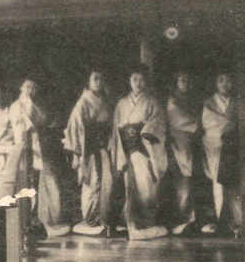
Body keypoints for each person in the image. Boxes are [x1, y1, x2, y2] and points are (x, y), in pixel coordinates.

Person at [110, 67, 170, 240]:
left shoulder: (152, 102)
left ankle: (146, 223)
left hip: (144, 148)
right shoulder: (121, 104)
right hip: (125, 149)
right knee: (127, 185)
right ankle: (129, 224)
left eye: (141, 79)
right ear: (129, 81)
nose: (138, 83)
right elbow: (115, 130)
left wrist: (145, 133)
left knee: (145, 185)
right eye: (134, 79)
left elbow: (158, 123)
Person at [10, 78, 71, 238]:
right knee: (27, 186)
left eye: (33, 87)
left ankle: (47, 222)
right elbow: (22, 128)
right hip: (25, 150)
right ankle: (26, 225)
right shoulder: (16, 106)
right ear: (21, 87)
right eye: (27, 86)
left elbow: (45, 120)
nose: (30, 90)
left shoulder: (37, 106)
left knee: (47, 183)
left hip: (41, 149)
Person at [63, 69, 116, 236]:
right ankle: (90, 219)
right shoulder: (83, 102)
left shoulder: (105, 100)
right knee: (92, 182)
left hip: (103, 147)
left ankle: (102, 218)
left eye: (101, 79)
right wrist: (78, 153)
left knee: (106, 182)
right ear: (88, 82)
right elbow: (75, 127)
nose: (98, 82)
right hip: (89, 148)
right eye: (95, 79)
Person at [200, 71, 238, 234]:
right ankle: (217, 220)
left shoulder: (237, 102)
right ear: (216, 84)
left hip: (232, 146)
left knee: (231, 182)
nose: (225, 84)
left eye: (228, 81)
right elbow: (209, 122)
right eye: (221, 81)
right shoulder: (208, 103)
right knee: (216, 181)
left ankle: (231, 221)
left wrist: (231, 128)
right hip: (214, 144)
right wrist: (230, 125)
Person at [166, 72, 200, 235]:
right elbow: (182, 120)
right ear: (176, 82)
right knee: (182, 181)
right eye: (181, 80)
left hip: (190, 143)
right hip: (178, 144)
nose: (185, 83)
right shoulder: (173, 101)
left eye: (187, 80)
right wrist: (199, 125)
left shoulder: (191, 99)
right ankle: (182, 220)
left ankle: (190, 219)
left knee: (190, 181)